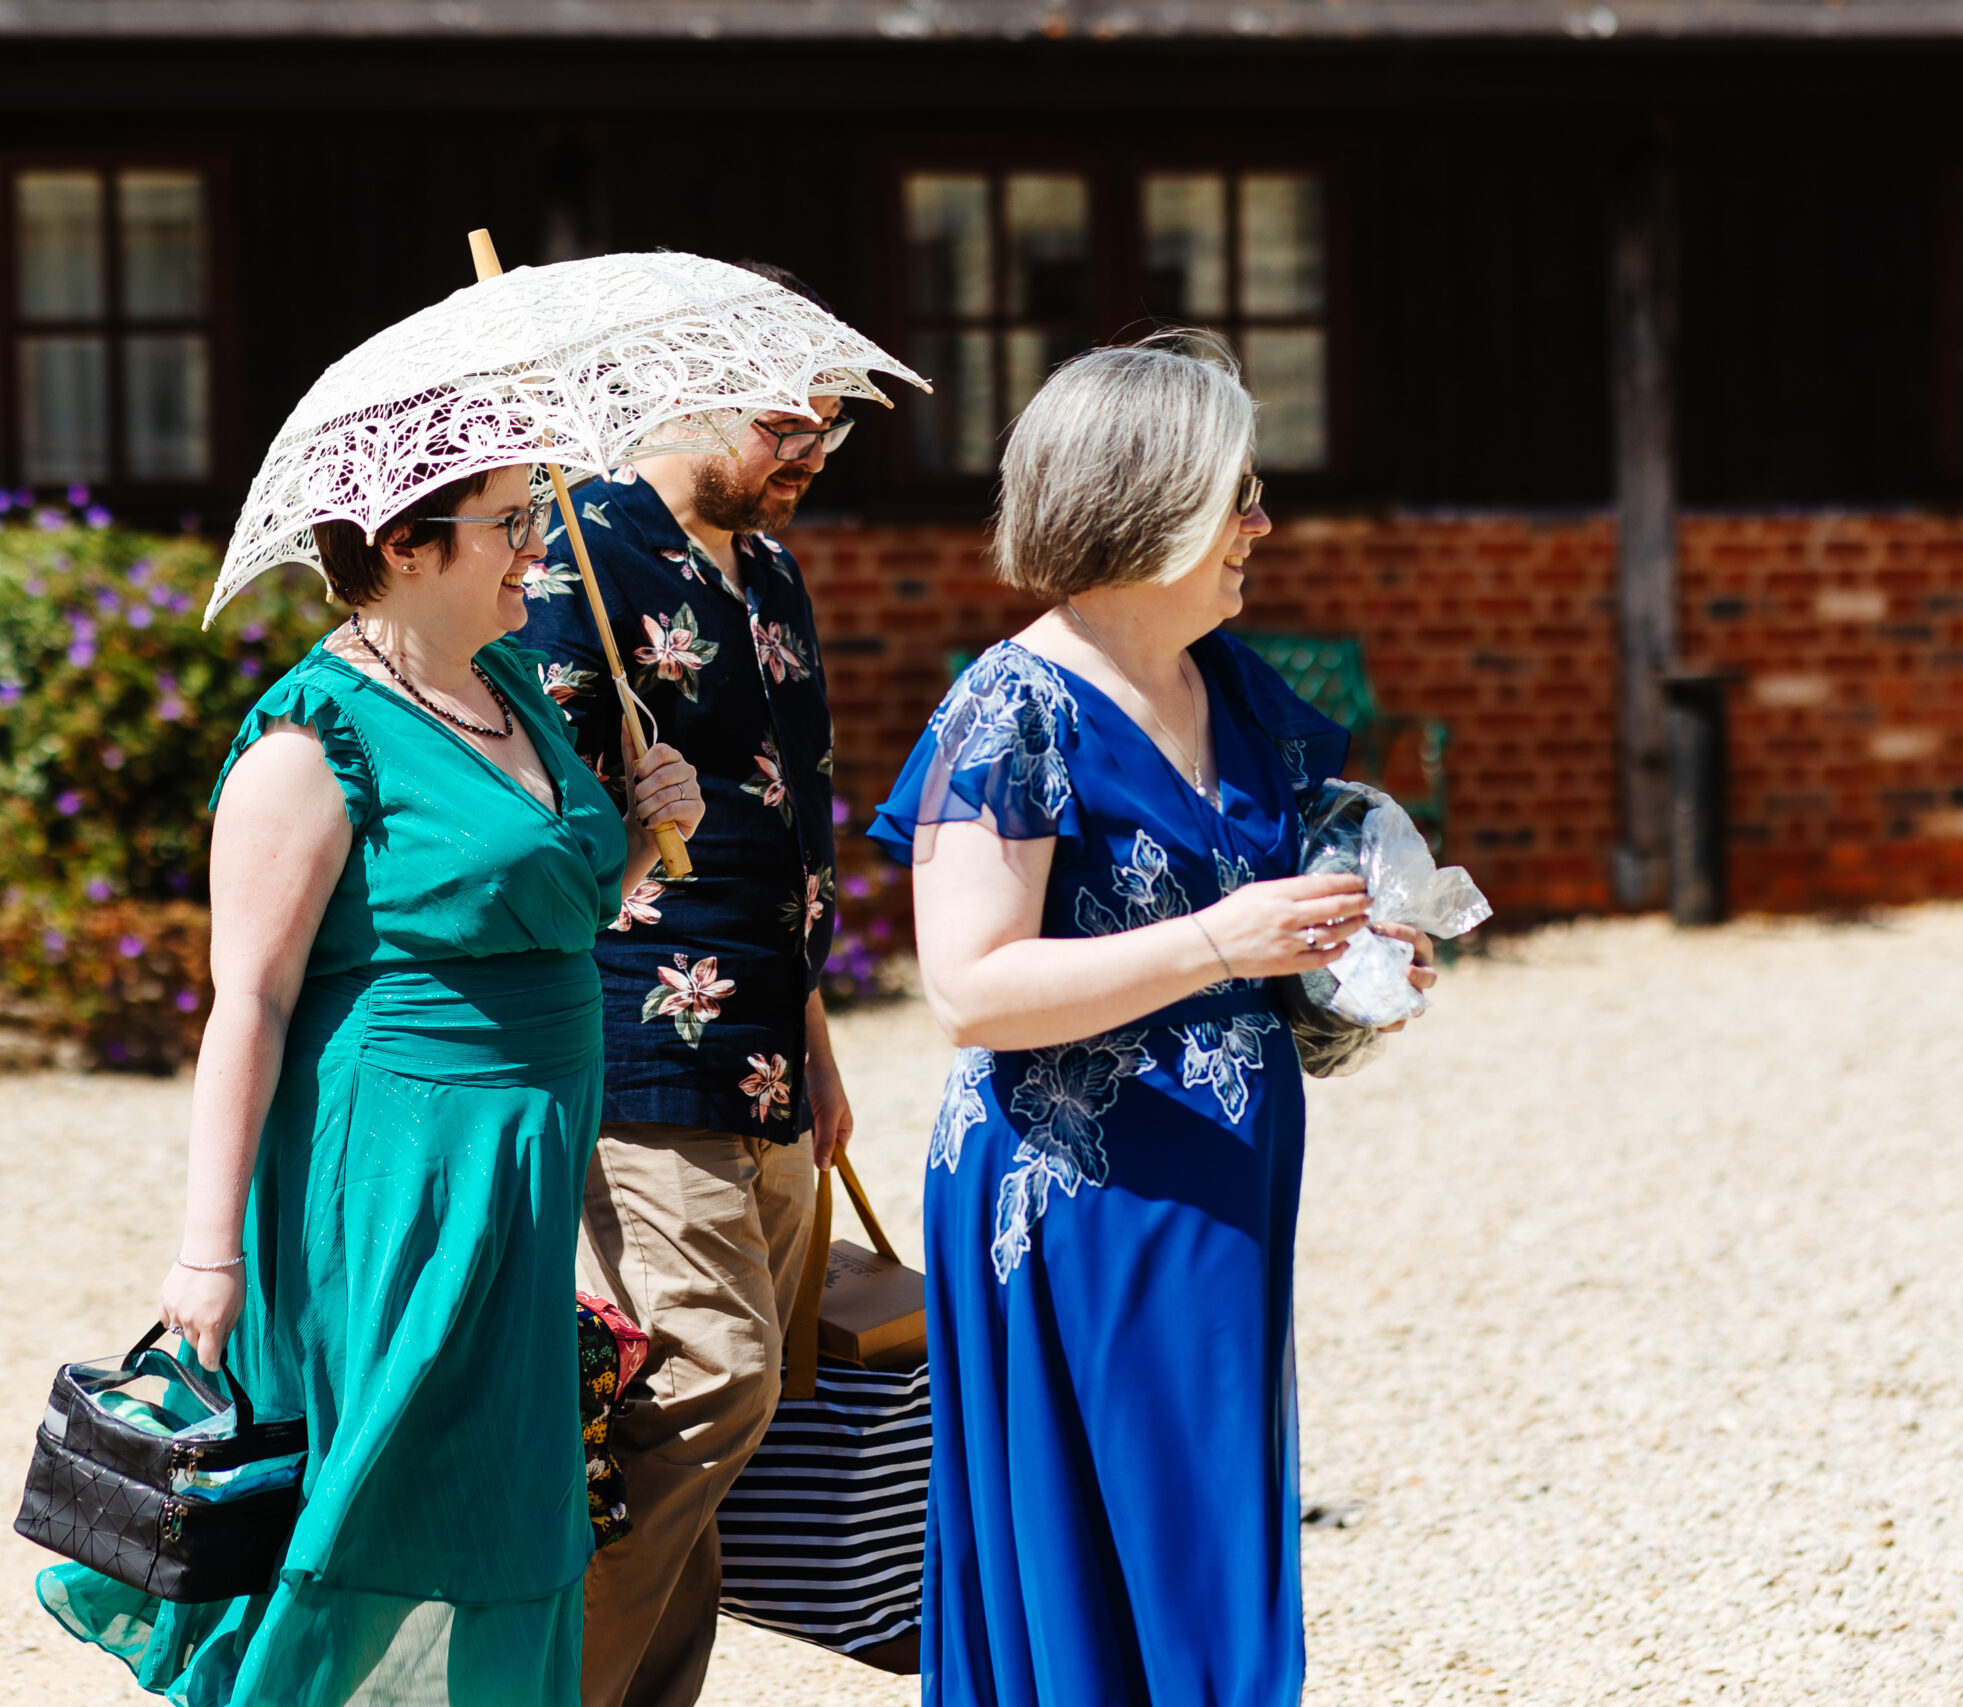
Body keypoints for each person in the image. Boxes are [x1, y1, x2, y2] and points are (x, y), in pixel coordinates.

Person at [35, 462, 704, 1705]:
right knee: (381, 1497)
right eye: (509, 525)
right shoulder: (312, 736)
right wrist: (206, 1254)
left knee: (514, 1504)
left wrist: (639, 823)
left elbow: (533, 912)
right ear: (405, 542)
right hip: (395, 1176)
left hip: (523, 1172)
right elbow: (253, 1000)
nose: (534, 553)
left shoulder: (506, 684)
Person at [870, 333, 1435, 1703]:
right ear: (1148, 500)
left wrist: (1354, 955)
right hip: (1080, 1194)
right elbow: (969, 988)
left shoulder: (1229, 683)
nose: (1262, 524)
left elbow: (1273, 913)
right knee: (1122, 1545)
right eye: (1237, 493)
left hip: (1227, 1175)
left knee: (1214, 1529)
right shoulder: (1007, 710)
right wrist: (1217, 939)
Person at [517, 262, 857, 1707]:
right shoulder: (572, 546)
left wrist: (826, 1045)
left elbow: (794, 820)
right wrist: (620, 801)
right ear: (691, 376)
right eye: (792, 421)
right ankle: (533, 1683)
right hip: (637, 1028)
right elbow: (519, 811)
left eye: (834, 432)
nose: (811, 456)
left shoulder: (768, 565)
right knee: (708, 1378)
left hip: (775, 1036)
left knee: (728, 1413)